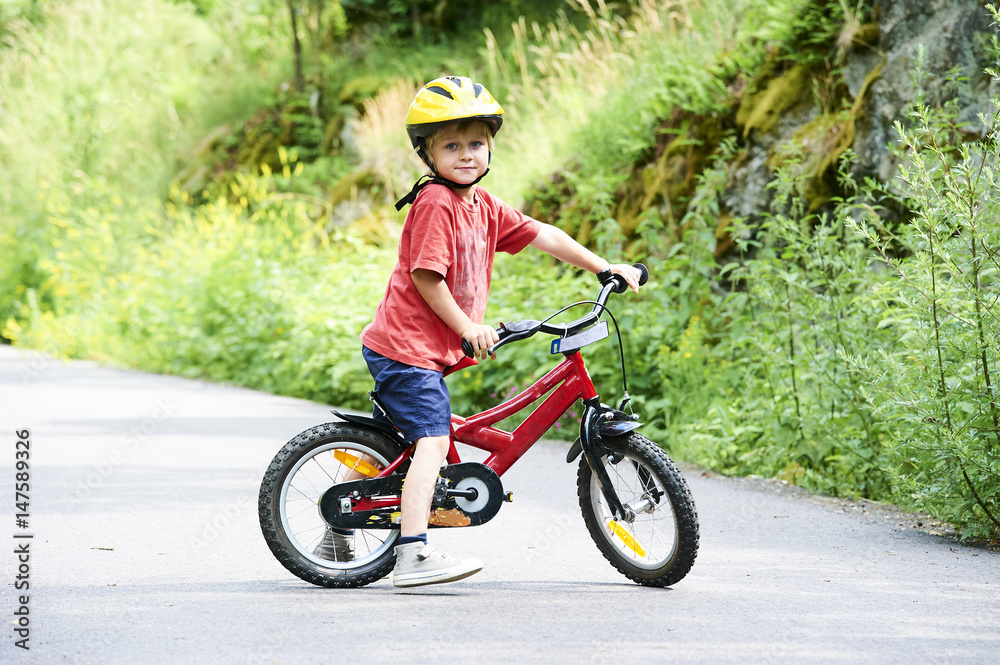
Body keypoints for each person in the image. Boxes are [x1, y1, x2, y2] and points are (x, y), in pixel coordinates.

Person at [358, 76, 642, 587]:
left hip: (428, 350)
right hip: (404, 348)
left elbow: (543, 234)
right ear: (427, 153)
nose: (466, 155)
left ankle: (349, 531)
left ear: (490, 147)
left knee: (436, 431)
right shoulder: (435, 204)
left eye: (476, 144)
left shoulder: (482, 205)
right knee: (429, 439)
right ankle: (413, 556)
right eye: (451, 145)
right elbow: (427, 277)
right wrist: (468, 326)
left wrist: (606, 267)